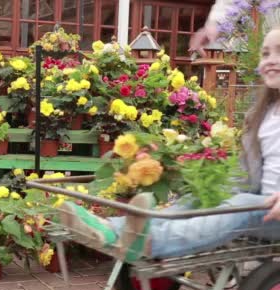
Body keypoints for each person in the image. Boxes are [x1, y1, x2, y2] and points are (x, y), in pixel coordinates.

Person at [62, 27, 280, 262]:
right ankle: (113, 229)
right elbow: (245, 173)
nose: (271, 60)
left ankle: (151, 240)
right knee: (199, 196)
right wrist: (216, 193)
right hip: (263, 209)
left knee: (244, 204)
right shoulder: (263, 115)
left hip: (268, 216)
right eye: (266, 53)